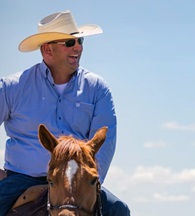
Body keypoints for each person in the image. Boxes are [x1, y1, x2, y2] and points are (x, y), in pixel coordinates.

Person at [0, 10, 130, 215]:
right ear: (47, 50)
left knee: (119, 210)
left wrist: (91, 181)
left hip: (78, 180)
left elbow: (106, 143)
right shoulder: (12, 87)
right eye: (69, 43)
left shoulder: (97, 88)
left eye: (80, 41)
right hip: (23, 178)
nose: (77, 47)